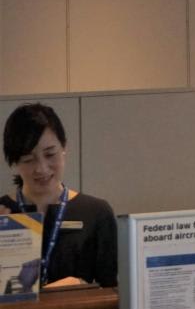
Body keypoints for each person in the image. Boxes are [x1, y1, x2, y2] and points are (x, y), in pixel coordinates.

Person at [0, 104, 117, 288]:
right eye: (28, 159)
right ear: (14, 162)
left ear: (64, 148)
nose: (41, 168)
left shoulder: (96, 213)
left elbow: (112, 290)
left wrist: (82, 287)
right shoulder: (3, 212)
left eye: (50, 154)